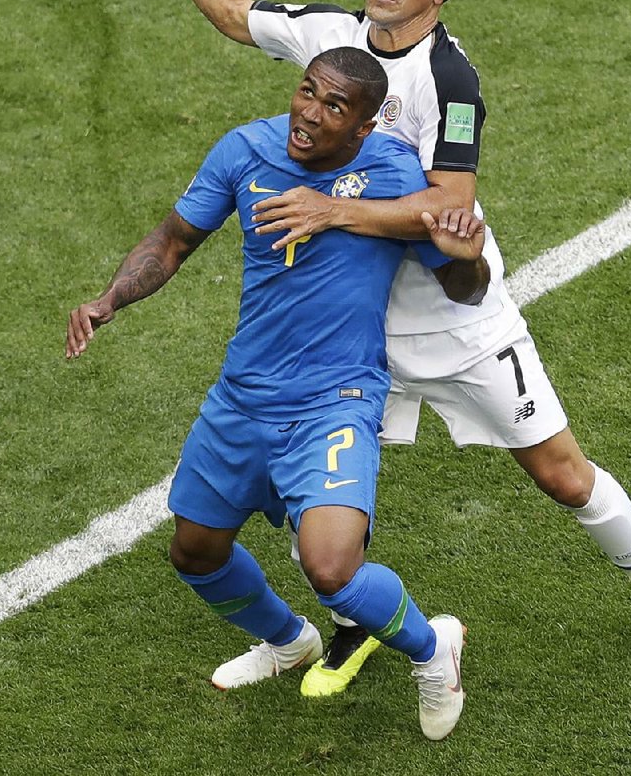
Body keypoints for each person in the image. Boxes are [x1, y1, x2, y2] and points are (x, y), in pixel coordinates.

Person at [120, 0, 631, 693]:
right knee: (312, 491)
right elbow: (230, 9)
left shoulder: (453, 81)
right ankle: (352, 627)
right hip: (358, 329)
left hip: (457, 314)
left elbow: (449, 208)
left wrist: (334, 207)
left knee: (562, 474)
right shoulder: (335, 40)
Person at [66, 46, 492, 741]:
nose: (308, 115)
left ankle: (431, 648)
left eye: (332, 108)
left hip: (335, 400)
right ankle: (289, 642)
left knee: (332, 567)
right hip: (242, 398)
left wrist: (467, 260)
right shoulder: (246, 150)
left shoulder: (390, 173)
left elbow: (459, 286)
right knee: (195, 551)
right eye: (307, 93)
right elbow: (172, 241)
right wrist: (110, 298)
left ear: (362, 128)